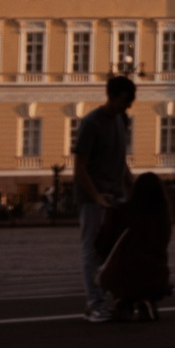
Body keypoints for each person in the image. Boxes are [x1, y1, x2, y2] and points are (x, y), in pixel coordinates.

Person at [72, 75, 139, 323]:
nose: (128, 105)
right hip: (93, 199)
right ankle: (95, 305)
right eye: (125, 100)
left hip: (115, 196)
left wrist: (134, 185)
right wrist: (96, 196)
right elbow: (80, 166)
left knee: (115, 252)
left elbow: (120, 162)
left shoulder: (121, 120)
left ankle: (117, 300)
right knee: (92, 251)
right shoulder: (91, 123)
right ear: (111, 96)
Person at [93, 171, 175, 322]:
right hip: (152, 275)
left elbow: (101, 244)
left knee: (124, 270)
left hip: (117, 275)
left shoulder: (121, 211)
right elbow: (160, 248)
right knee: (153, 266)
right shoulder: (162, 217)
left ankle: (122, 301)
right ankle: (145, 299)